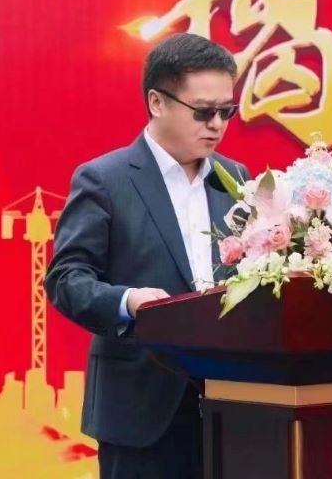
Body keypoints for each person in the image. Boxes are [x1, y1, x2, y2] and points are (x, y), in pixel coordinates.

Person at [45, 33, 250, 479]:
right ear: (157, 102)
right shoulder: (105, 179)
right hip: (140, 406)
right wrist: (128, 301)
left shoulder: (236, 178)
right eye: (203, 112)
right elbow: (66, 278)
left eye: (227, 111)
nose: (217, 125)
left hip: (231, 404)